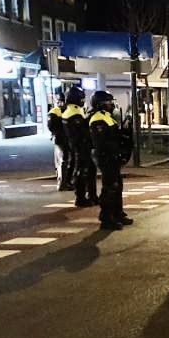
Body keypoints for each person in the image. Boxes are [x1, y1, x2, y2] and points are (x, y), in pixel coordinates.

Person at [87, 90, 134, 230]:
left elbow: (114, 135)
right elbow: (104, 142)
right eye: (109, 102)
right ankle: (107, 217)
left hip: (112, 156)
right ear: (101, 104)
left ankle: (117, 213)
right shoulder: (97, 119)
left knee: (117, 185)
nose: (111, 104)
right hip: (106, 157)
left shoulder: (106, 117)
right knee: (110, 187)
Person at [62, 85, 98, 207]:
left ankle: (91, 195)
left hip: (77, 145)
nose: (83, 101)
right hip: (81, 146)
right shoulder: (74, 113)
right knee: (82, 171)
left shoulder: (71, 110)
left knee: (89, 170)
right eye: (81, 99)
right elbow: (82, 131)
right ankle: (81, 197)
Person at [47, 87, 74, 190]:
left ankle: (66, 182)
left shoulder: (66, 111)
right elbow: (51, 126)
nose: (62, 104)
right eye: (60, 102)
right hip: (59, 139)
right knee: (62, 161)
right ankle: (62, 183)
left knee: (67, 160)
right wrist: (58, 133)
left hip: (66, 139)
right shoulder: (55, 111)